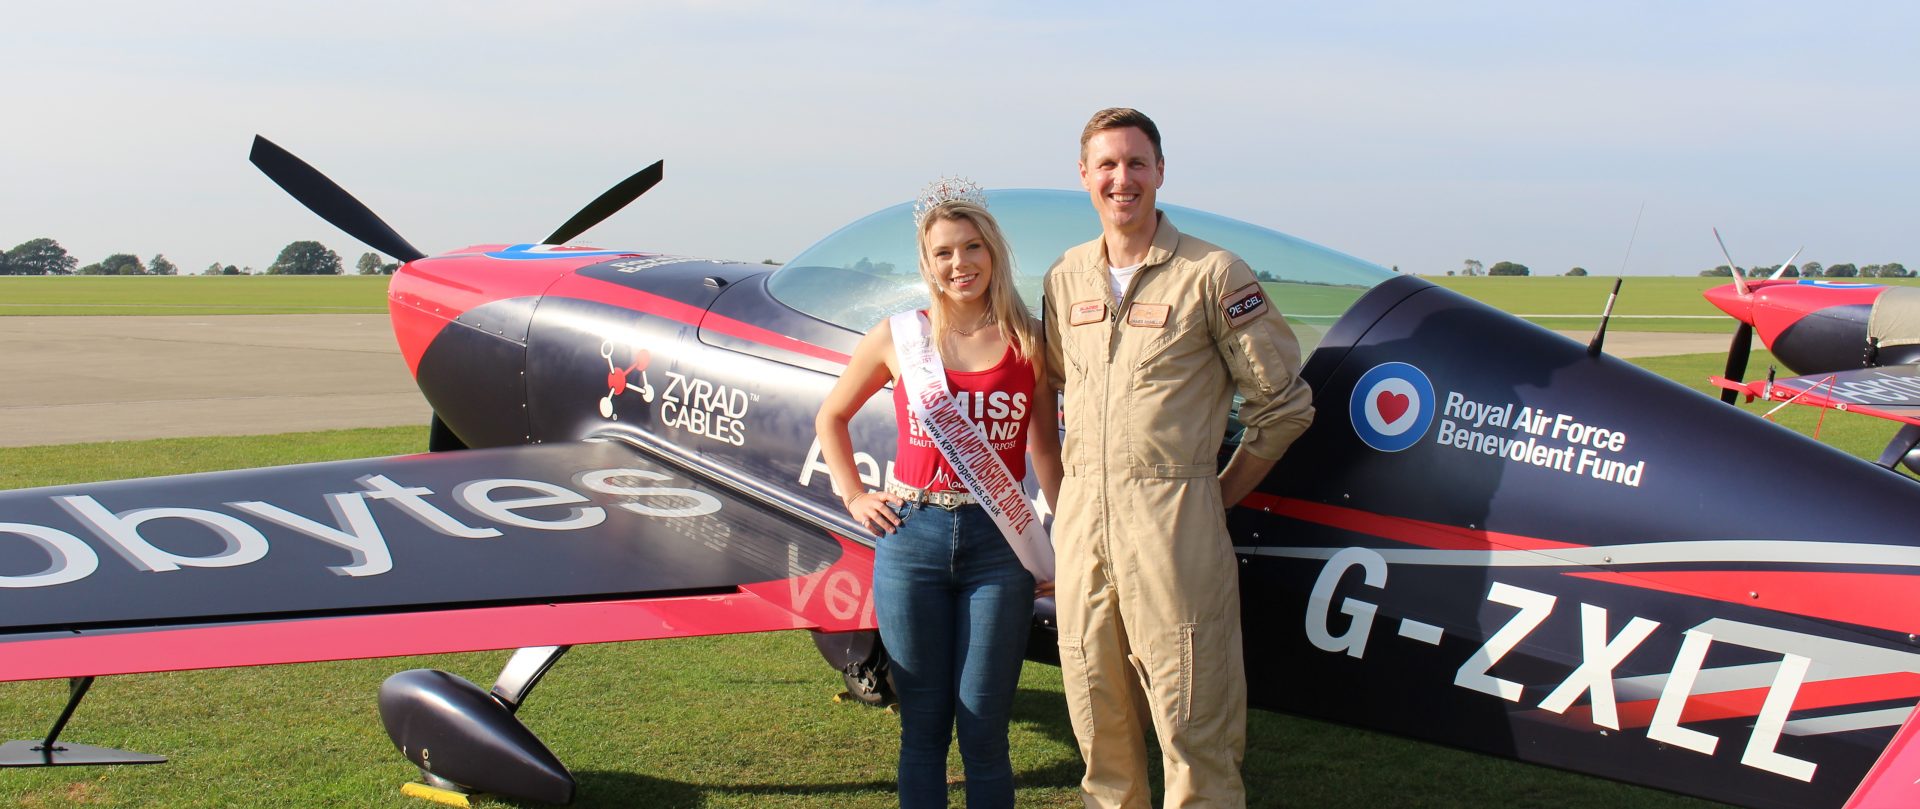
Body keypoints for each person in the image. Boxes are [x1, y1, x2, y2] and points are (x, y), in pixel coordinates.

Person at [1041, 108, 1315, 808]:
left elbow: (1283, 405)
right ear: (1084, 176)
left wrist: (1217, 495)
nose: (1121, 178)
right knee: (1097, 720)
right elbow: (1046, 389)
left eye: (1136, 162)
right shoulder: (1065, 277)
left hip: (1175, 524)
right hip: (1082, 527)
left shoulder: (1212, 273)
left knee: (1194, 723)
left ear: (1160, 171)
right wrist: (1061, 499)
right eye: (1106, 164)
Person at [814, 180, 1063, 809]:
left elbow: (1043, 450)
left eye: (972, 248)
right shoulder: (901, 337)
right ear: (927, 265)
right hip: (911, 538)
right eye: (944, 254)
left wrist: (1058, 539)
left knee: (984, 728)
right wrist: (853, 496)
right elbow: (831, 418)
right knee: (921, 727)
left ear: (994, 253)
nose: (960, 264)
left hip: (998, 544)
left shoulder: (1028, 340)